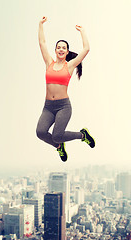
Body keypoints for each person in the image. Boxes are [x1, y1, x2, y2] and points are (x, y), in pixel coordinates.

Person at [36, 16, 95, 162]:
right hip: (48, 107)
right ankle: (59, 147)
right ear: (55, 50)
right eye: (59, 47)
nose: (61, 49)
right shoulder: (49, 62)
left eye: (64, 48)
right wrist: (40, 24)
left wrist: (82, 31)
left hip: (63, 106)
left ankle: (83, 135)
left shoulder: (69, 66)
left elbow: (86, 49)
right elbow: (42, 43)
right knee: (41, 132)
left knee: (57, 135)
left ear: (67, 52)